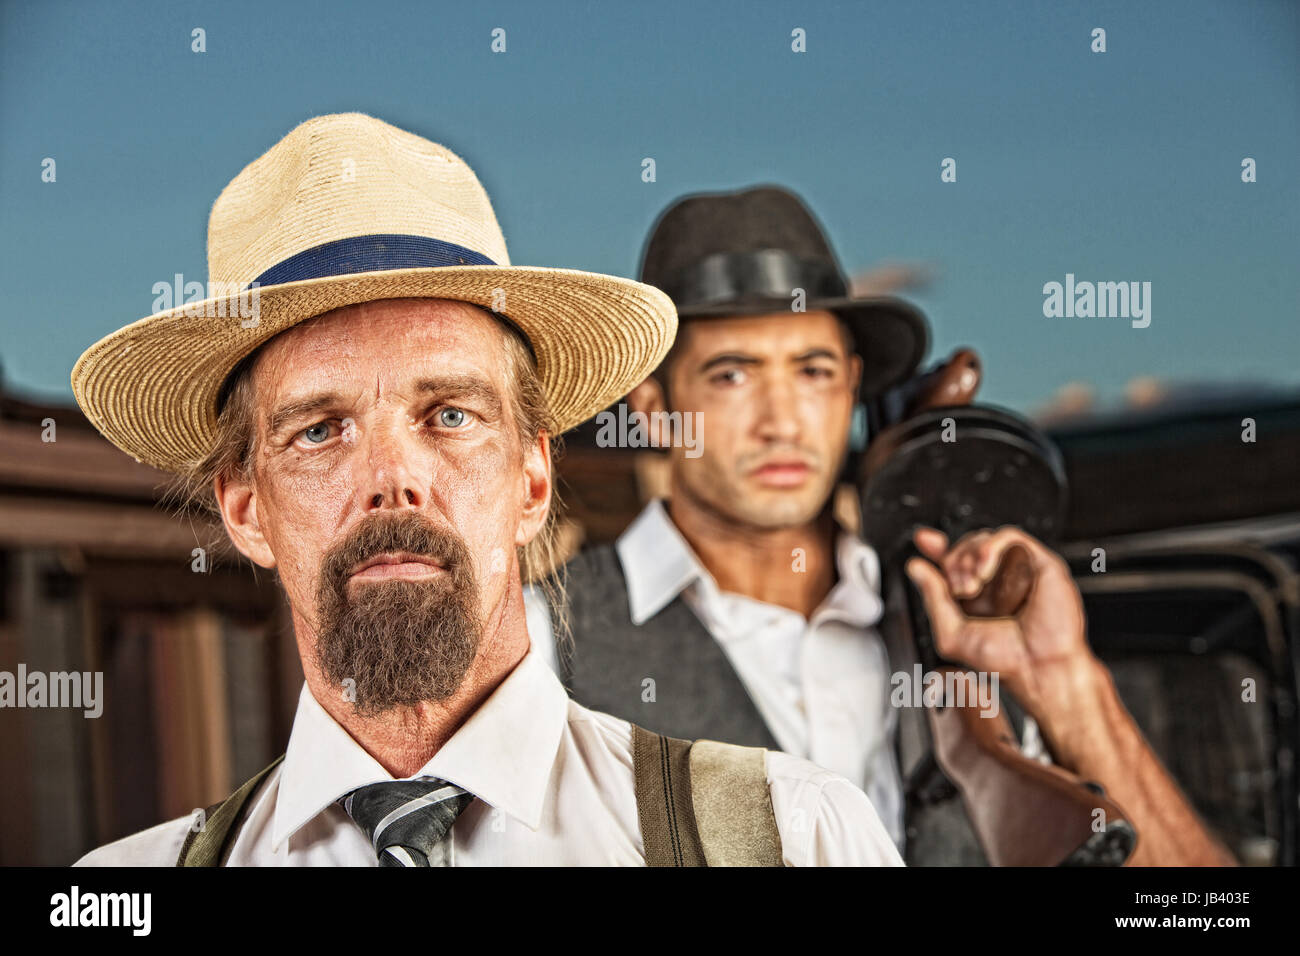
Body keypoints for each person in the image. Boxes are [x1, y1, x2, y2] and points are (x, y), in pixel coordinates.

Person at [70, 114, 901, 867]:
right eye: (319, 430)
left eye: (451, 415)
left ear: (533, 478)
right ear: (244, 509)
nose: (393, 481)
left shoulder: (799, 837)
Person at [527, 185, 1234, 866]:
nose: (782, 421)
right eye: (732, 376)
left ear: (852, 387)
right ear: (653, 408)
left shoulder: (955, 621)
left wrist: (1065, 685)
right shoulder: (543, 640)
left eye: (813, 372)